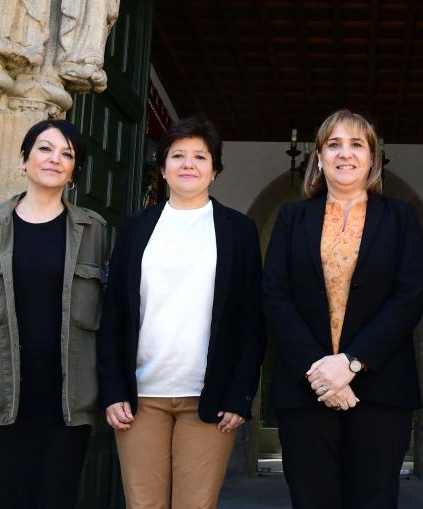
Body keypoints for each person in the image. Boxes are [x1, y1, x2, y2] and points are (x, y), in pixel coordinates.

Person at [96, 116, 265, 509]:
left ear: (215, 170)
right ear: (163, 167)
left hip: (208, 396)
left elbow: (251, 319)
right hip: (141, 396)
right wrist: (113, 389)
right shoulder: (137, 228)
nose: (188, 164)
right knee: (144, 505)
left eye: (199, 156)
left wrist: (241, 395)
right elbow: (115, 313)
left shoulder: (238, 231)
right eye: (178, 155)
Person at [263, 110, 423, 508]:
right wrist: (321, 371)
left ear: (372, 157)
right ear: (318, 157)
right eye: (333, 145)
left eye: (357, 145)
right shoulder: (291, 217)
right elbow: (275, 296)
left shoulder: (401, 218)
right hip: (307, 390)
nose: (345, 154)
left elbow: (409, 297)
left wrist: (351, 363)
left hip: (381, 390)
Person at [0, 119, 108, 509]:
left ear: (75, 171)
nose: (55, 159)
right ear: (24, 159)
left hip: (66, 401)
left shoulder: (95, 230)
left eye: (67, 154)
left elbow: (109, 306)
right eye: (45, 148)